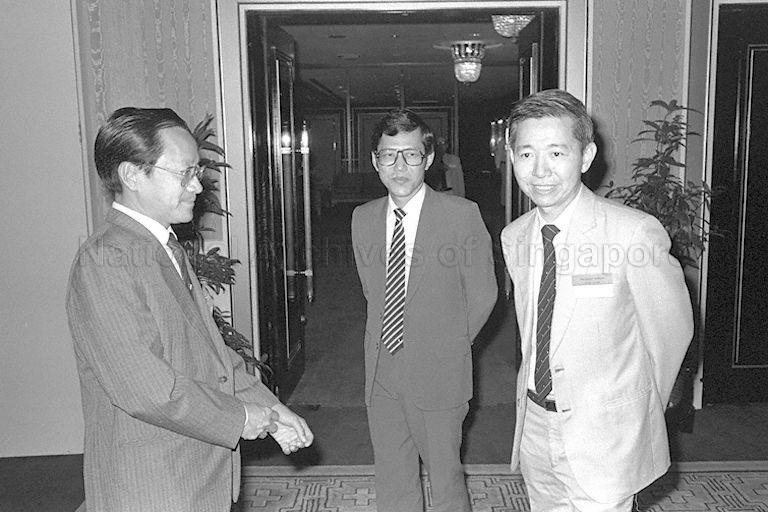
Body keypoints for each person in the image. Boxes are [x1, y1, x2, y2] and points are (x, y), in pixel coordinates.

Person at [66, 107, 313, 512]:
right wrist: (242, 419)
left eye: (197, 172)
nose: (198, 186)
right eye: (185, 173)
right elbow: (148, 391)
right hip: (151, 485)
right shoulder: (104, 261)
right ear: (132, 175)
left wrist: (272, 409)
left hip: (193, 476)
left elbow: (215, 357)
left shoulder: (166, 249)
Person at [500, 89, 694, 511]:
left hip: (606, 434)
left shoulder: (633, 234)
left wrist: (634, 416)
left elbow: (670, 335)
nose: (541, 171)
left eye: (556, 153)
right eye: (527, 154)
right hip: (534, 424)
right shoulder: (514, 237)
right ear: (511, 157)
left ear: (586, 156)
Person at [351, 109, 498, 512]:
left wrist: (447, 345)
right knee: (393, 479)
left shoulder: (461, 215)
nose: (398, 166)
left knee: (446, 481)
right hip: (382, 372)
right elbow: (373, 293)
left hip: (439, 373)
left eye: (411, 155)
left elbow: (485, 295)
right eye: (388, 155)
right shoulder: (362, 219)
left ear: (429, 159)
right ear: (374, 161)